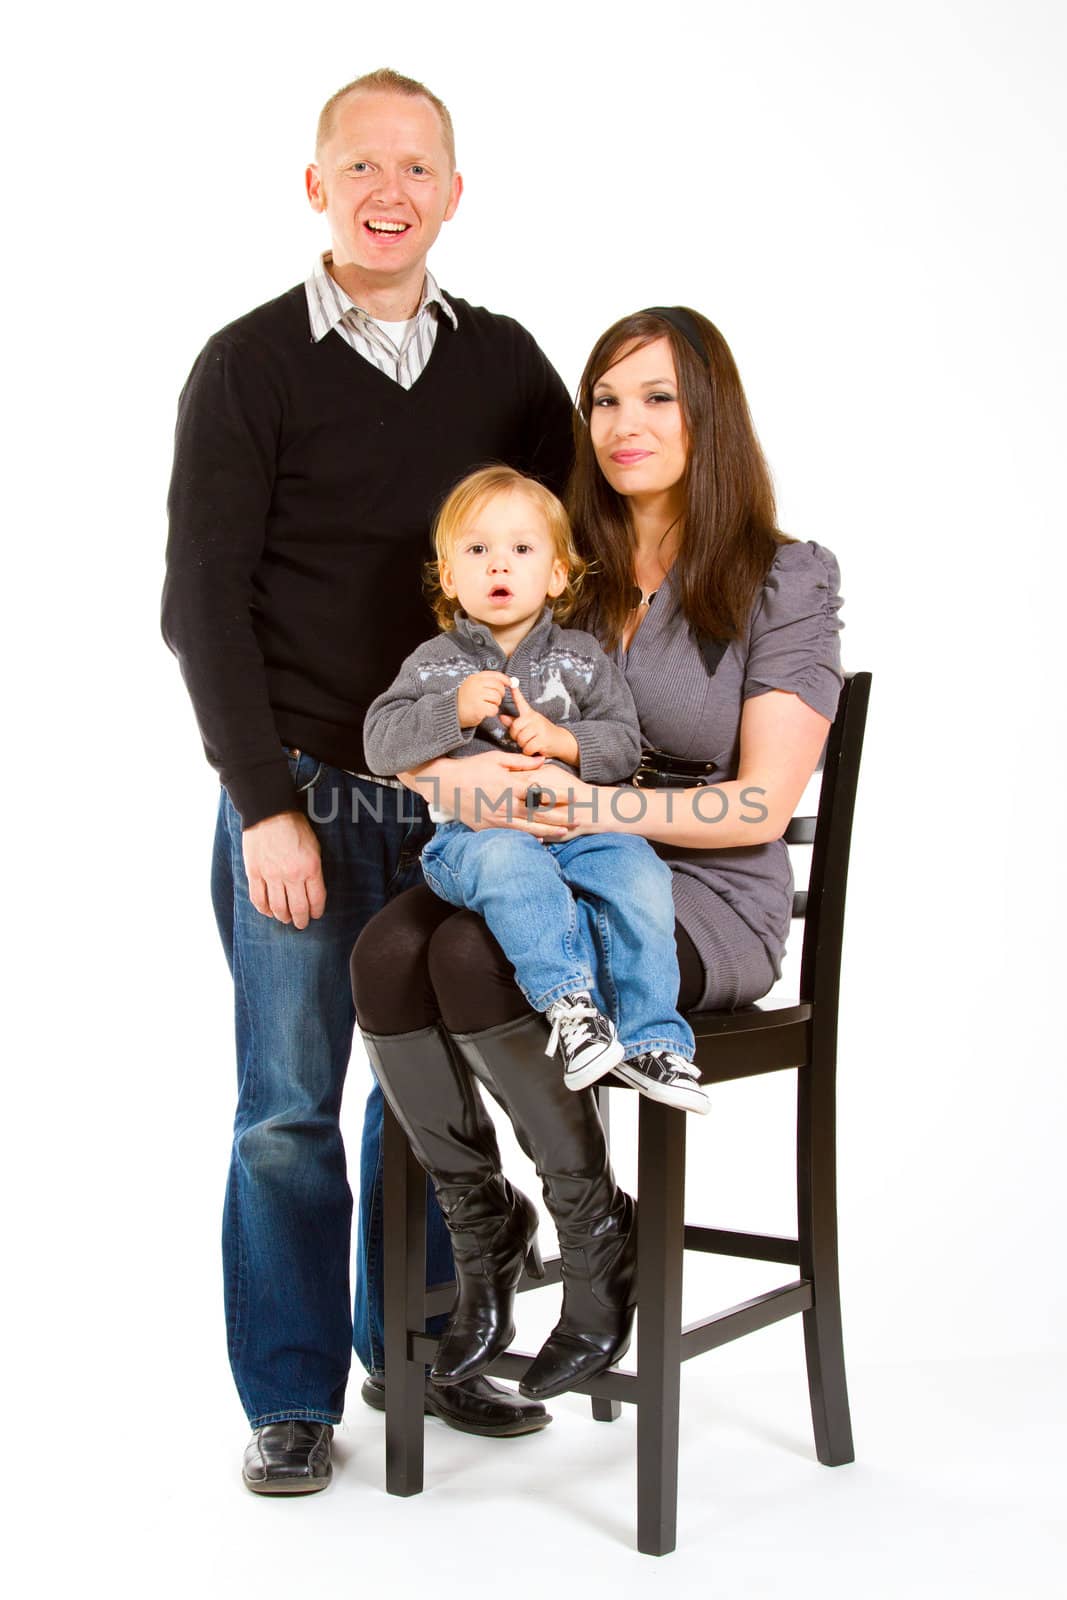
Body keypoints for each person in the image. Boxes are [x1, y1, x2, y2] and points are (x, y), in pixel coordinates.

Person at [161, 68, 575, 1496]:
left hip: (456, 804)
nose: (387, 192)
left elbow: (556, 578)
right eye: (360, 167)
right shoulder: (249, 364)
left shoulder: (510, 366)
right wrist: (261, 800)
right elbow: (200, 598)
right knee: (286, 1103)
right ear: (316, 187)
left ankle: (416, 1359)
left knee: (426, 1099)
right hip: (303, 792)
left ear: (452, 193)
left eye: (416, 168)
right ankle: (290, 1399)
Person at [351, 304, 844, 1406]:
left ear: (708, 412)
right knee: (386, 955)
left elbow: (759, 807)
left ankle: (592, 1239)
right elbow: (423, 722)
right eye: (605, 398)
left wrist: (583, 801)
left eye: (657, 396)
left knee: (473, 960)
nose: (624, 422)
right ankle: (487, 1232)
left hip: (692, 889)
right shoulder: (553, 559)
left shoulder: (784, 577)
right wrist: (447, 776)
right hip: (527, 848)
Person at [362, 464, 705, 1123]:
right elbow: (380, 741)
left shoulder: (580, 657)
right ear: (449, 575)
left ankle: (653, 1038)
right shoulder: (433, 664)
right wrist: (452, 713)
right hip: (476, 839)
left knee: (638, 873)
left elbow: (623, 744)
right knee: (509, 865)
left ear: (554, 575)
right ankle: (571, 1009)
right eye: (477, 550)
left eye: (521, 550)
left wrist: (564, 740)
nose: (499, 565)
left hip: (582, 830)